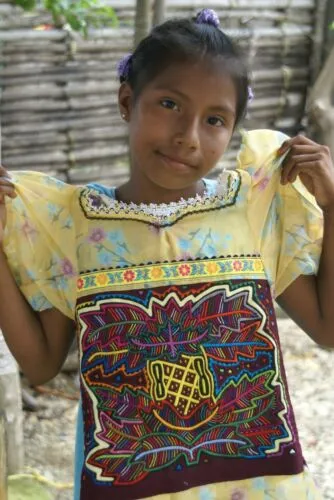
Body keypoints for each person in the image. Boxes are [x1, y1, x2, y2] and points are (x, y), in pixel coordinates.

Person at [0, 8, 333, 500]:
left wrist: (332, 205)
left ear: (234, 127)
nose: (188, 135)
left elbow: (328, 330)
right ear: (127, 100)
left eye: (215, 119)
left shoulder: (252, 212)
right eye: (170, 104)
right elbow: (43, 363)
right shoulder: (73, 223)